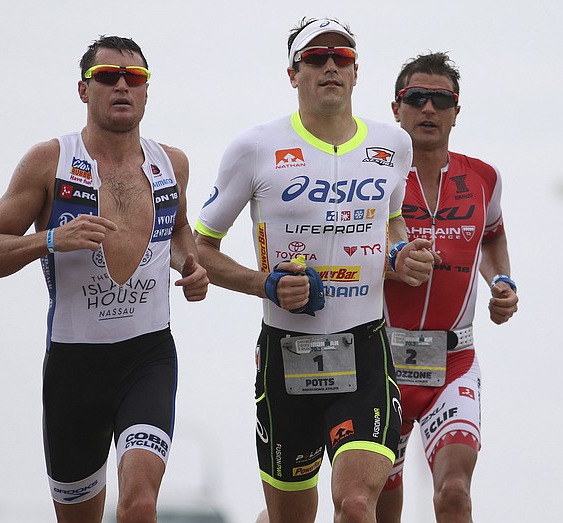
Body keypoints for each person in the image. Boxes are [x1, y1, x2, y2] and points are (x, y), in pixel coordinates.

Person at [194, 18, 435, 523]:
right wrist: (266, 284)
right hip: (286, 354)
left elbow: (393, 229)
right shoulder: (255, 147)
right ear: (293, 73)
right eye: (316, 57)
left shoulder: (393, 146)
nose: (330, 65)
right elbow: (202, 250)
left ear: (355, 73)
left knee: (353, 504)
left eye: (342, 57)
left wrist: (400, 257)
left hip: (365, 351)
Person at [0, 35, 209, 523]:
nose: (122, 85)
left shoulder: (171, 163)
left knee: (140, 503)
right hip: (74, 365)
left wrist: (190, 264)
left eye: (134, 78)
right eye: (107, 77)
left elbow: (180, 228)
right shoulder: (49, 162)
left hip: (148, 355)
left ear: (146, 92)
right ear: (84, 90)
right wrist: (52, 239)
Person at [376, 52, 519, 523]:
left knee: (454, 494)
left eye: (441, 100)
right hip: (382, 361)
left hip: (452, 362)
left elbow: (493, 236)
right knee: (379, 507)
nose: (429, 110)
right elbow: (343, 254)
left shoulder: (483, 177)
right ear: (397, 109)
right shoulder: (373, 176)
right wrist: (393, 265)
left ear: (458, 111)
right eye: (416, 98)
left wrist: (501, 281)